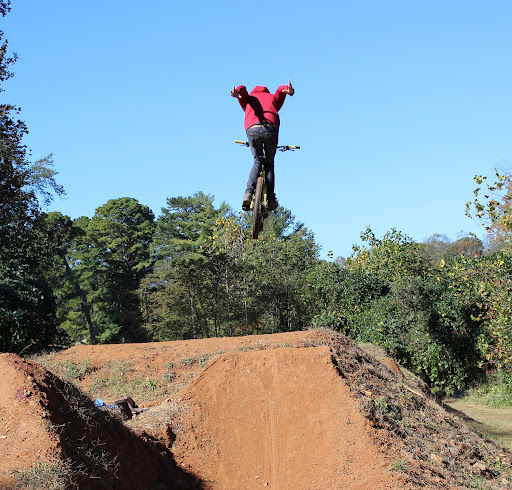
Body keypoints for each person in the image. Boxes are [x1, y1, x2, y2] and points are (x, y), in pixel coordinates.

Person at [231, 80, 294, 211]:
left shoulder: (249, 98)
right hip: (270, 129)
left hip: (252, 130)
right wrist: (287, 90)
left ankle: (248, 194)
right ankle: (271, 200)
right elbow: (280, 91)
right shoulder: (271, 97)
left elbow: (243, 90)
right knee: (269, 163)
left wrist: (237, 91)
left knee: (257, 161)